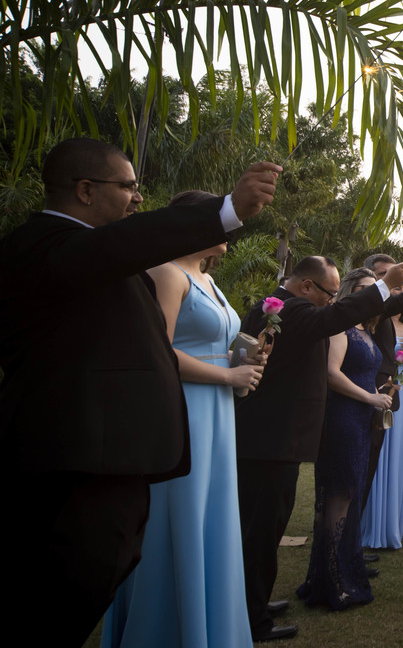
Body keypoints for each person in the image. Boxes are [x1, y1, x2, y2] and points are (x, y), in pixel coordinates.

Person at [0, 138, 277, 646]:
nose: (136, 198)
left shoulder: (97, 258)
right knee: (63, 590)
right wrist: (227, 210)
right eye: (127, 186)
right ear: (85, 190)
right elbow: (125, 243)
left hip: (118, 457)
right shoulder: (43, 245)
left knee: (105, 569)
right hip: (75, 460)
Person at [235, 254, 403, 642]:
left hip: (280, 435)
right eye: (329, 293)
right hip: (273, 434)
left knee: (267, 528)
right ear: (306, 286)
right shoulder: (291, 310)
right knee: (260, 529)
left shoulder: (290, 308)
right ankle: (252, 618)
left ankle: (255, 600)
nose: (331, 301)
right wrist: (385, 285)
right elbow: (333, 325)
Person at [101, 191, 266, 648]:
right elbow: (155, 351)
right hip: (184, 405)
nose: (229, 230)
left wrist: (244, 361)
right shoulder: (167, 273)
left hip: (216, 407)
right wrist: (226, 372)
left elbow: (213, 343)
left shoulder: (206, 277)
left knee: (212, 515)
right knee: (182, 514)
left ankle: (213, 626)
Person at [296, 269, 393, 610]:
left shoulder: (367, 330)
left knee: (348, 495)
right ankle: (335, 583)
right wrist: (369, 398)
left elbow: (358, 373)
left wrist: (378, 393)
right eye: (366, 289)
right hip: (342, 419)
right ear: (351, 293)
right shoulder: (340, 327)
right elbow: (330, 373)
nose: (372, 295)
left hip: (360, 419)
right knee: (338, 496)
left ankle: (329, 577)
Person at [361, 274, 403, 549]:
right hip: (383, 387)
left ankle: (397, 521)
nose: (402, 293)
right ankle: (372, 523)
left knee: (400, 452)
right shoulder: (378, 321)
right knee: (381, 449)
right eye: (397, 288)